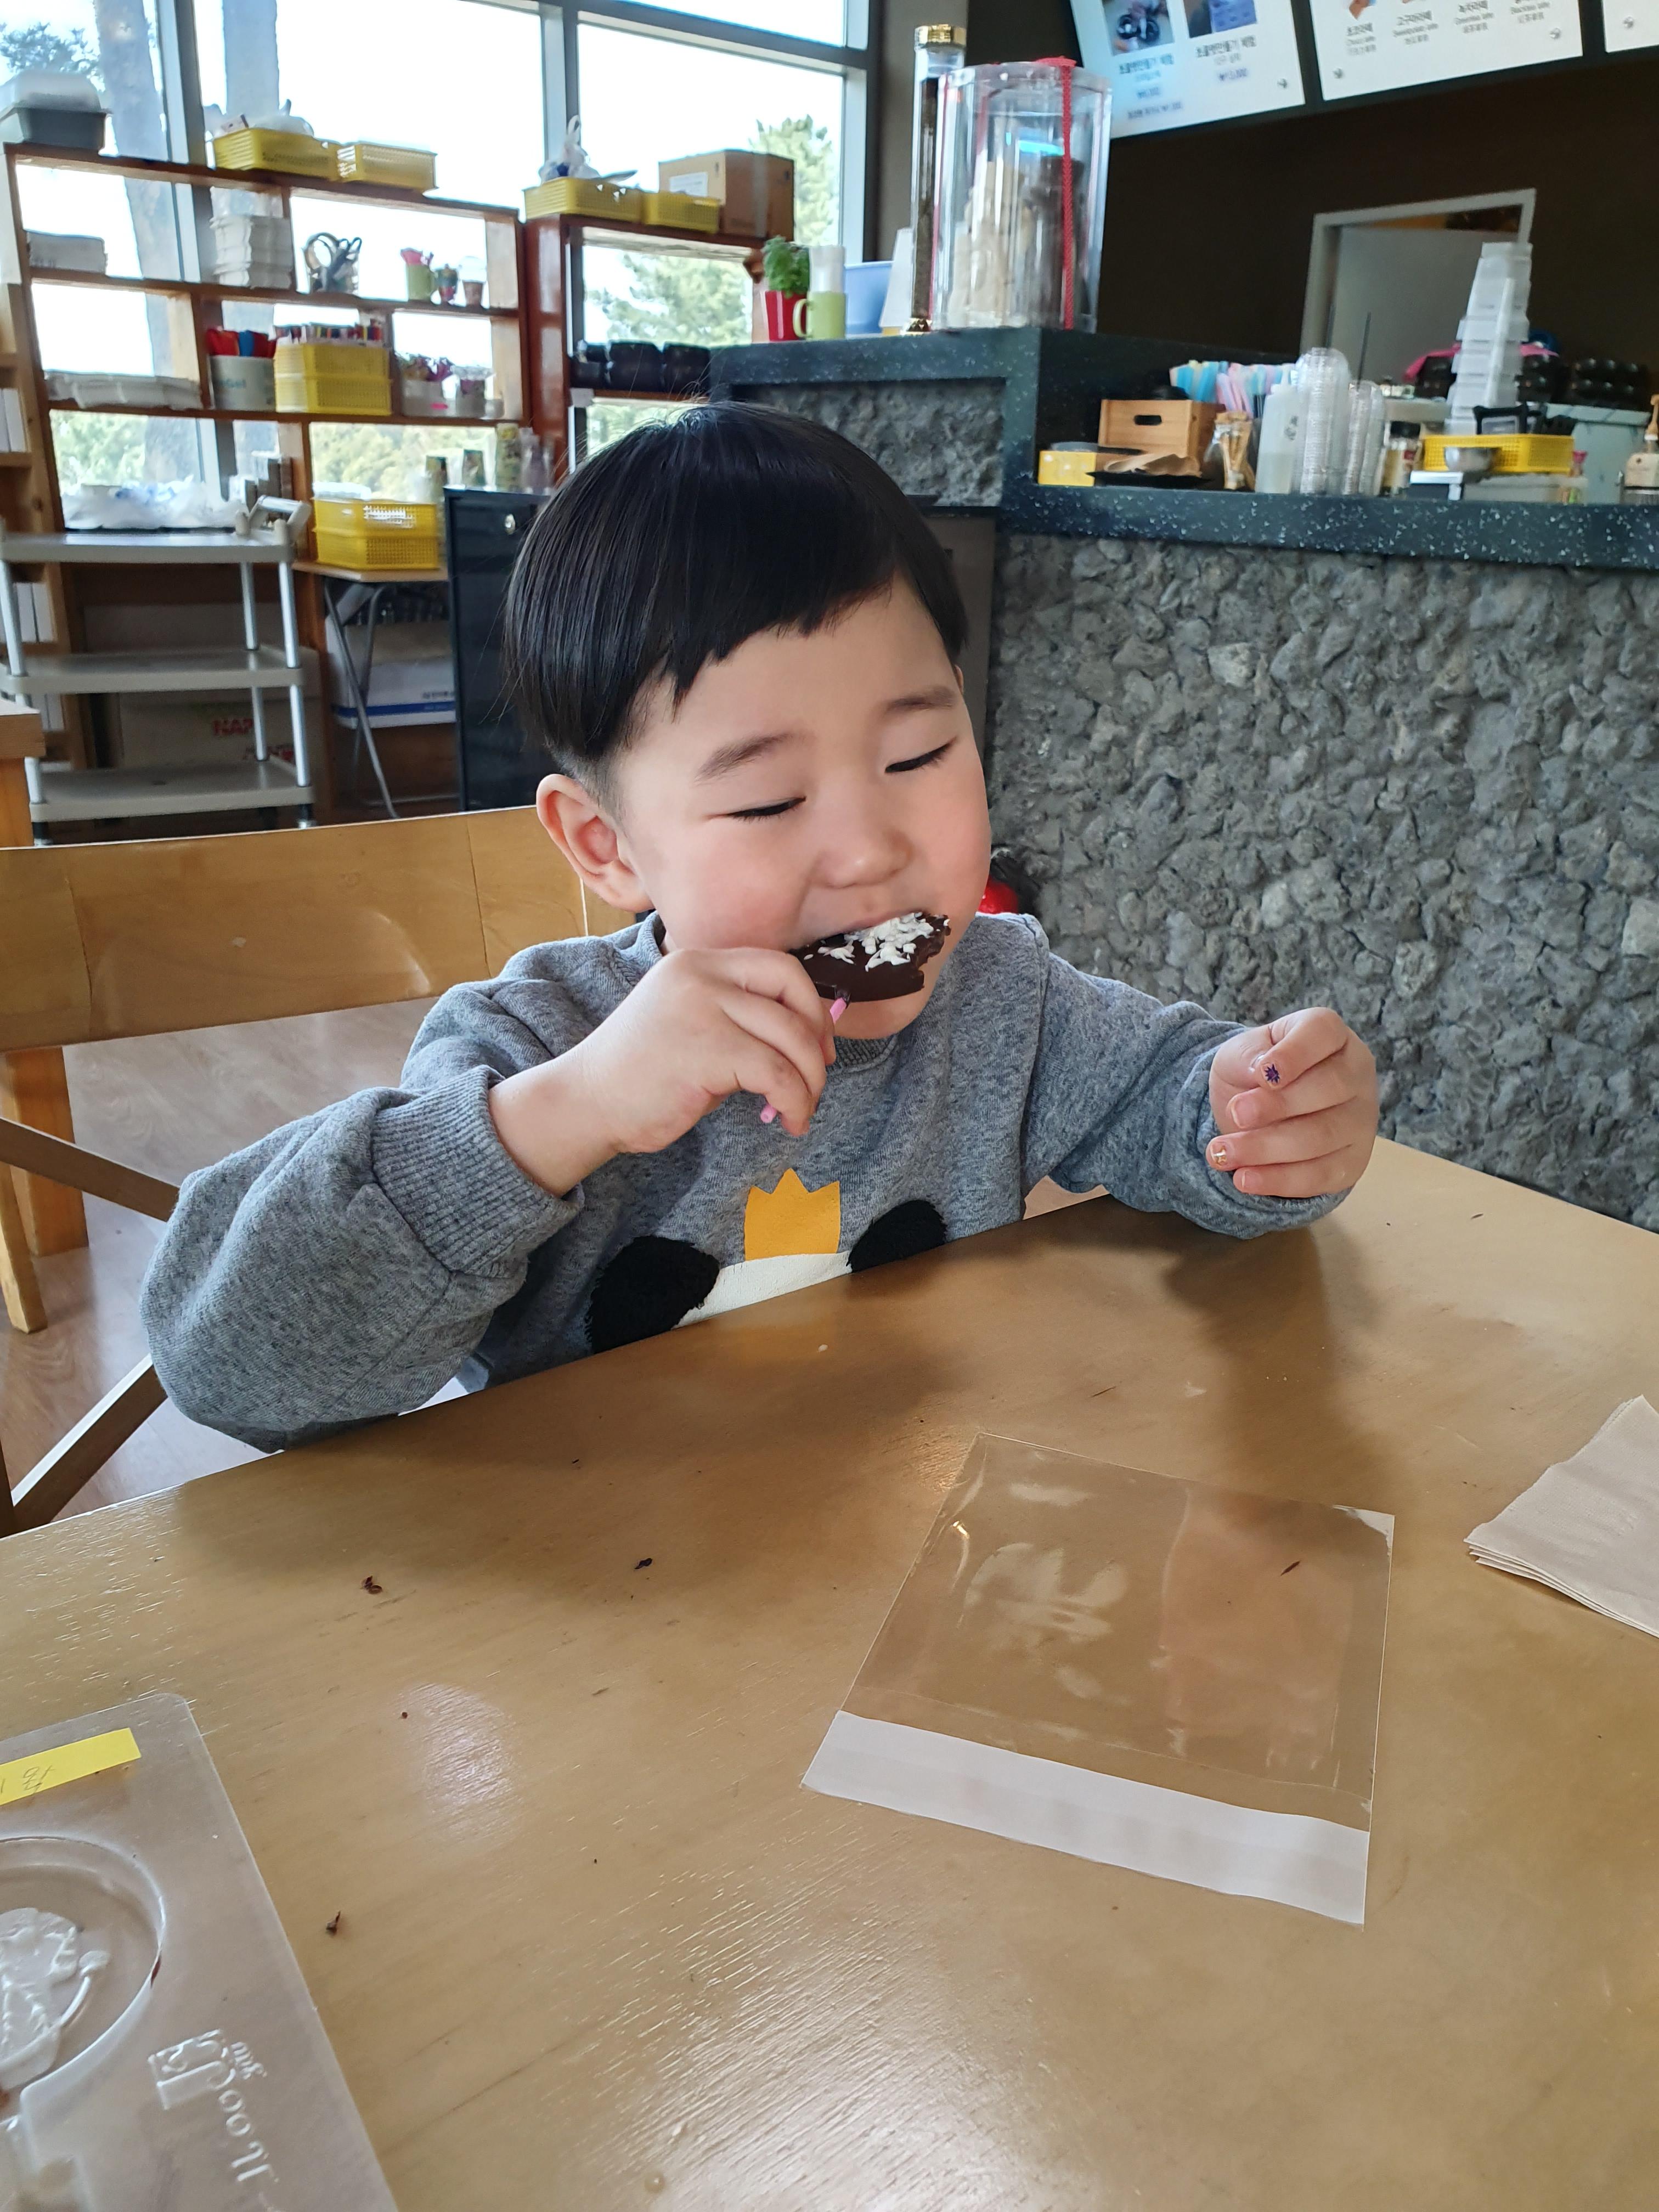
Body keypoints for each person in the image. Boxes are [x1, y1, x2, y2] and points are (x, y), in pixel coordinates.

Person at [142, 405, 1378, 1452]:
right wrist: (559, 1121)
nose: (870, 851)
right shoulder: (538, 1044)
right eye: (769, 801)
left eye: (918, 754)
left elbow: (1175, 1103)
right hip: (612, 1606)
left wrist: (1258, 1119)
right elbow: (232, 1367)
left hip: (905, 1576)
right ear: (606, 845)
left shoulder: (1005, 1004)